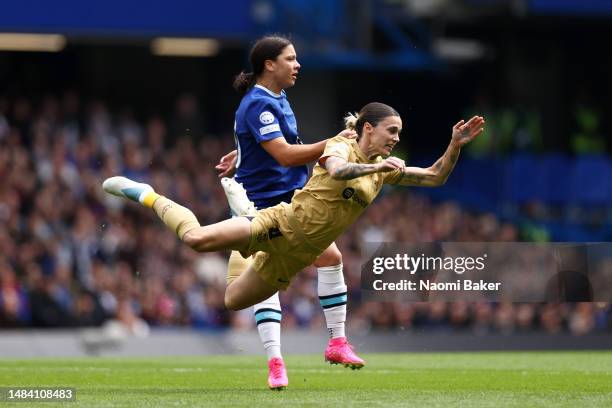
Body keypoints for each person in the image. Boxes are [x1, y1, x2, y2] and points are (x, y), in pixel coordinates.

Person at [102, 100, 484, 362]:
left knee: (233, 300)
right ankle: (148, 194)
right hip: (280, 225)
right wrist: (377, 169)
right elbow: (336, 171)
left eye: (399, 133)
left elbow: (434, 177)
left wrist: (454, 145)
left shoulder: (384, 167)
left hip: (297, 256)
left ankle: (241, 220)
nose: (396, 139)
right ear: (368, 128)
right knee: (196, 240)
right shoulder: (343, 146)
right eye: (392, 131)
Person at [216, 35, 362, 389]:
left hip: (288, 198)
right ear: (270, 64)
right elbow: (283, 154)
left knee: (329, 258)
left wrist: (241, 151)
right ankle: (278, 360)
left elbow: (270, 143)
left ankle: (335, 343)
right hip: (264, 203)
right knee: (275, 272)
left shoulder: (276, 98)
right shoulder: (258, 105)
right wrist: (333, 144)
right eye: (291, 59)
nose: (297, 65)